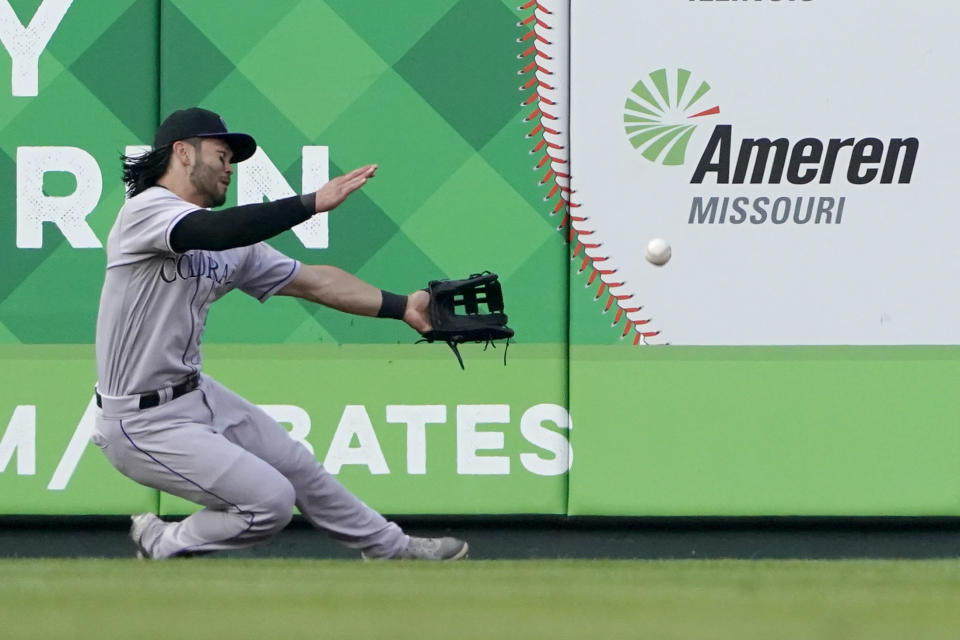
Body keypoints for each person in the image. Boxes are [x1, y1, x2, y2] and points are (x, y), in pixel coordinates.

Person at [91, 107, 467, 560]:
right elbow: (211, 230)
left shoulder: (233, 248)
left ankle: (393, 550)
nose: (230, 166)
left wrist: (401, 306)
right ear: (183, 153)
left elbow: (315, 281)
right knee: (268, 503)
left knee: (297, 466)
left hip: (194, 394)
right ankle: (163, 541)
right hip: (139, 420)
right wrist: (309, 204)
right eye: (221, 153)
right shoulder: (145, 211)